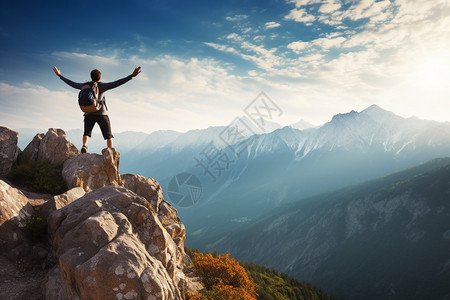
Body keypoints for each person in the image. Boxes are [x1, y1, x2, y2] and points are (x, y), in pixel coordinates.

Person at [53, 66, 141, 153]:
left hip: (88, 113)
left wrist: (60, 76)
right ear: (100, 77)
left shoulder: (84, 85)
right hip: (102, 114)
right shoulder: (102, 85)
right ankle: (110, 151)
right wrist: (131, 76)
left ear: (91, 76)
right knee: (108, 135)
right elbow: (117, 83)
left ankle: (84, 146)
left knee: (86, 133)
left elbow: (72, 83)